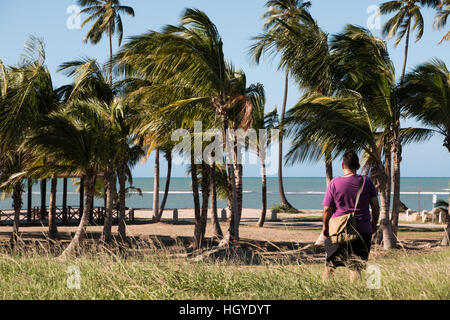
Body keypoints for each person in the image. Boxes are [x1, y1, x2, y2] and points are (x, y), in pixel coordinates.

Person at [321, 150, 380, 282]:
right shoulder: (367, 181)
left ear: (342, 165)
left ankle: (325, 294)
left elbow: (327, 210)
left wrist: (325, 227)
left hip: (338, 230)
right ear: (358, 167)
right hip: (362, 229)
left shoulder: (334, 183)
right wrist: (373, 224)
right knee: (356, 267)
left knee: (330, 266)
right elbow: (376, 207)